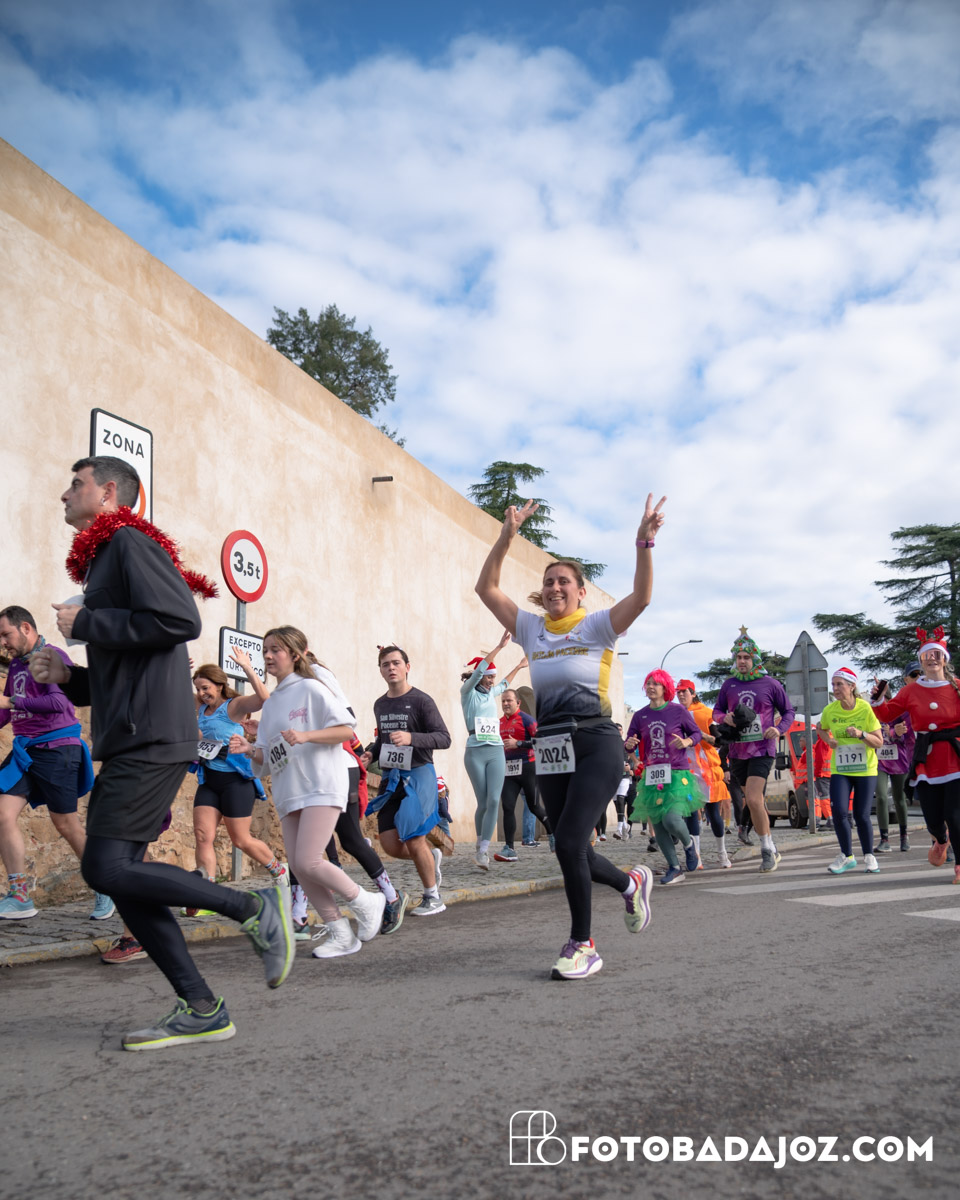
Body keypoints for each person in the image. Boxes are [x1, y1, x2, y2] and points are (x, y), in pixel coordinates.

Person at [30, 456, 294, 1050]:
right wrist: (68, 678)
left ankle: (251, 906)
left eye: (76, 483)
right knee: (124, 879)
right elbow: (130, 668)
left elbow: (179, 619)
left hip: (149, 737)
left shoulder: (127, 540)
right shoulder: (105, 556)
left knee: (104, 868)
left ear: (109, 492)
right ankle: (201, 1007)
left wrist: (89, 621)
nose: (65, 494)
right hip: (135, 732)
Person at [475, 495, 663, 980]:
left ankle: (583, 945)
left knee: (572, 841)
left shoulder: (597, 625)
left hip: (596, 740)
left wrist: (643, 544)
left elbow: (641, 598)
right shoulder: (531, 629)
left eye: (564, 581)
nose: (555, 586)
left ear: (580, 592)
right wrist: (506, 536)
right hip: (552, 747)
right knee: (567, 845)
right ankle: (630, 884)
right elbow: (486, 588)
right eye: (548, 581)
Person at [0, 606, 111, 920]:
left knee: (66, 825)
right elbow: (6, 712)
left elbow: (59, 702)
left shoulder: (52, 656)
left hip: (57, 750)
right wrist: (9, 704)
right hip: (26, 751)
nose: (3, 643)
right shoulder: (17, 666)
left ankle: (105, 886)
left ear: (25, 628)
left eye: (6, 635)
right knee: (2, 814)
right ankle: (20, 896)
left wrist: (11, 701)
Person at [360, 645, 450, 916]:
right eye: (385, 664)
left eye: (396, 663)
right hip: (392, 777)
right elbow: (383, 739)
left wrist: (412, 738)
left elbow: (443, 738)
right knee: (390, 844)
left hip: (419, 774)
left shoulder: (422, 701)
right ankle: (429, 857)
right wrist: (371, 752)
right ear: (380, 670)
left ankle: (433, 897)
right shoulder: (380, 704)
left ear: (407, 667)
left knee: (413, 837)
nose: (391, 668)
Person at [190, 651, 285, 892]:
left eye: (205, 688)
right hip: (209, 780)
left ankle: (279, 871)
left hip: (236, 782)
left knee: (241, 840)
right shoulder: (201, 707)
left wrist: (247, 668)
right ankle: (206, 893)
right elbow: (175, 695)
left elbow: (264, 699)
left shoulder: (233, 707)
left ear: (220, 685)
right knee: (202, 835)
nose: (201, 693)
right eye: (198, 689)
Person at [872, 629, 960, 879]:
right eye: (927, 655)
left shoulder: (957, 687)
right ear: (921, 660)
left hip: (955, 756)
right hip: (927, 758)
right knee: (932, 815)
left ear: (944, 659)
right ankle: (940, 840)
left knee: (955, 814)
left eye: (937, 655)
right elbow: (887, 714)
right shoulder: (911, 691)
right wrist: (878, 699)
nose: (932, 659)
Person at [712, 628, 795, 873]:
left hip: (762, 749)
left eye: (746, 657)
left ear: (755, 658)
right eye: (738, 657)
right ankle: (772, 845)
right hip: (737, 750)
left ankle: (766, 850)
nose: (742, 661)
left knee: (754, 798)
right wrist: (724, 718)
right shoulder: (729, 685)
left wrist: (778, 729)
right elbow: (716, 711)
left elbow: (788, 711)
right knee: (753, 801)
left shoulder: (770, 684)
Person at [625, 671, 704, 884]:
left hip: (677, 774)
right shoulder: (640, 715)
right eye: (648, 683)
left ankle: (689, 845)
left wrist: (686, 742)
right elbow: (630, 741)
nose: (651, 687)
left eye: (656, 684)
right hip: (652, 776)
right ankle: (675, 868)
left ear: (665, 688)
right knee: (659, 825)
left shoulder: (677, 711)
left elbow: (696, 734)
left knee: (672, 819)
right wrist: (629, 745)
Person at [459, 634, 527, 867]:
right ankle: (480, 842)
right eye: (489, 677)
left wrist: (519, 666)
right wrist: (499, 647)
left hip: (495, 749)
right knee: (483, 802)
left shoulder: (490, 693)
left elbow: (505, 684)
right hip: (475, 750)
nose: (491, 681)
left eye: (492, 677)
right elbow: (479, 671)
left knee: (494, 800)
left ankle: (483, 850)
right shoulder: (467, 692)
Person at [817, 667, 883, 874]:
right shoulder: (830, 710)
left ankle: (869, 856)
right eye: (833, 684)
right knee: (839, 812)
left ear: (852, 686)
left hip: (865, 769)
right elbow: (820, 728)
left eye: (840, 684)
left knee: (861, 815)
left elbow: (879, 741)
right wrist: (828, 740)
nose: (835, 688)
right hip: (841, 769)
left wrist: (861, 734)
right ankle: (847, 856)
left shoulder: (865, 708)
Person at [676, 679, 732, 868]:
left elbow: (720, 741)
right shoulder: (675, 714)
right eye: (678, 692)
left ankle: (722, 853)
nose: (681, 695)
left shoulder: (705, 713)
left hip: (707, 769)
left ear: (693, 693)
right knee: (691, 812)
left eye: (684, 691)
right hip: (686, 770)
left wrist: (700, 735)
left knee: (713, 812)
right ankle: (696, 856)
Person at [872, 663, 919, 852]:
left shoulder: (900, 708)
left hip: (899, 760)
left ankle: (904, 836)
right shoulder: (871, 710)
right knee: (882, 797)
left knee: (900, 798)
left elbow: (908, 732)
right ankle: (884, 839)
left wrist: (894, 732)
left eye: (883, 694)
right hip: (879, 761)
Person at [499, 687, 551, 857]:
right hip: (509, 770)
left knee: (534, 806)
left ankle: (553, 834)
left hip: (529, 767)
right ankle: (509, 848)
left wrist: (519, 744)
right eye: (503, 701)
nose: (506, 704)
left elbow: (542, 741)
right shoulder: (499, 722)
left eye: (509, 700)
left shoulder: (526, 720)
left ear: (518, 702)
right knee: (507, 807)